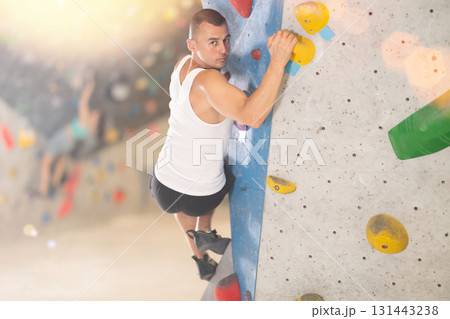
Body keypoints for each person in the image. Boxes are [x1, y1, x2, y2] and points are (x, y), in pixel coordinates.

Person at [150, 9, 297, 280]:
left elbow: (204, 96)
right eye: (213, 42)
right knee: (226, 171)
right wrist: (278, 60)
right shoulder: (210, 81)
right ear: (192, 45)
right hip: (201, 197)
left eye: (226, 40)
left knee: (182, 196)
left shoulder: (182, 65)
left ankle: (201, 258)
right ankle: (204, 230)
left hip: (162, 186)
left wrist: (219, 91)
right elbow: (253, 116)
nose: (224, 49)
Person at [39, 77, 102, 196]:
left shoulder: (85, 119)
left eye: (96, 114)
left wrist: (90, 86)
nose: (94, 112)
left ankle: (43, 189)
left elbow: (83, 101)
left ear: (96, 120)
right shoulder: (92, 130)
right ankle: (56, 182)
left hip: (63, 138)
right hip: (70, 143)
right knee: (60, 160)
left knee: (45, 163)